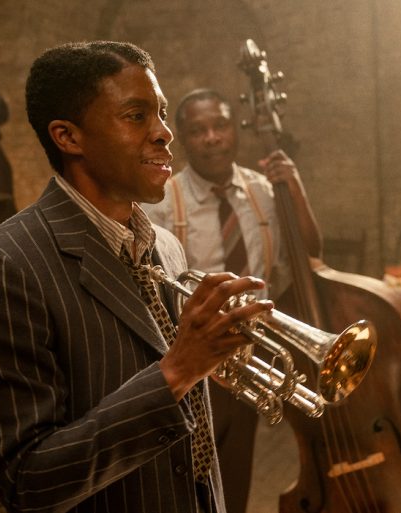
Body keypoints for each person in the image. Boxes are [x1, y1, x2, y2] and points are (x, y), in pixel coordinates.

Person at [0, 41, 272, 513]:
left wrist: (215, 355)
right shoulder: (0, 268)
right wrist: (178, 370)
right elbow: (26, 481)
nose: (165, 134)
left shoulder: (165, 245)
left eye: (160, 114)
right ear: (68, 137)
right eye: (136, 116)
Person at [142, 88, 322, 513]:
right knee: (188, 468)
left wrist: (292, 186)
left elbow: (309, 253)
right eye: (197, 130)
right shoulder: (163, 199)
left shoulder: (262, 190)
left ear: (234, 131)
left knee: (235, 473)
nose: (211, 138)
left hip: (247, 355)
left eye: (220, 126)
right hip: (189, 356)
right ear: (182, 140)